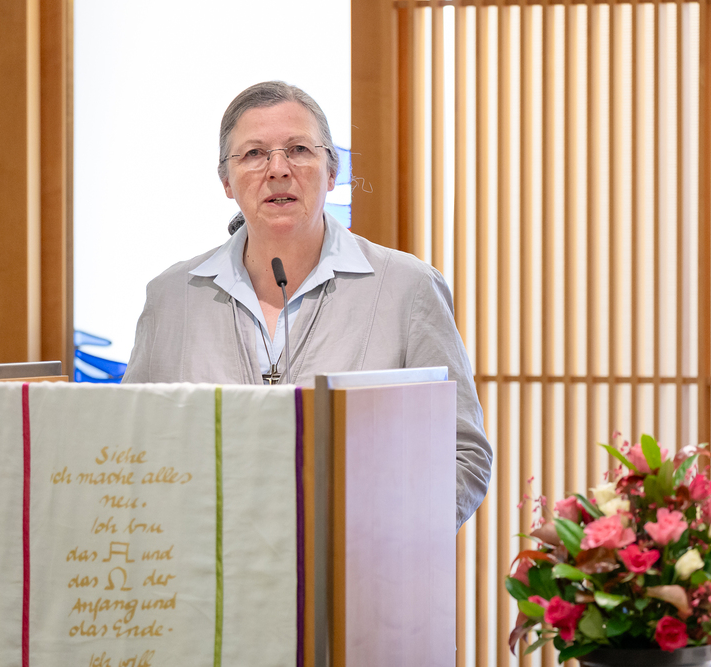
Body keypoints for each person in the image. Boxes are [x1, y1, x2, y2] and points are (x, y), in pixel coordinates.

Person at [122, 81, 491, 529]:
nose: (278, 169)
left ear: (332, 173)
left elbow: (463, 454)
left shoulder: (407, 288)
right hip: (205, 562)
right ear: (226, 181)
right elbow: (131, 447)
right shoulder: (170, 297)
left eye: (298, 149)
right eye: (254, 154)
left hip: (357, 563)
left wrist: (385, 539)